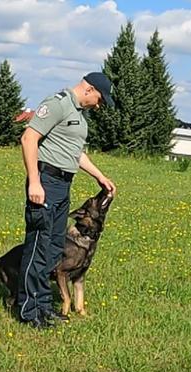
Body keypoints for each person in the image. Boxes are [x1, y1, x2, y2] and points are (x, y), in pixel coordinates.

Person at [17, 72, 117, 329]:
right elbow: (29, 138)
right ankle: (29, 311)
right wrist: (35, 181)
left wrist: (100, 177)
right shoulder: (57, 104)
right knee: (38, 245)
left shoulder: (80, 117)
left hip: (63, 185)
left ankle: (43, 306)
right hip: (46, 181)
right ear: (89, 89)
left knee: (52, 249)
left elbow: (76, 154)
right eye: (99, 99)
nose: (98, 105)